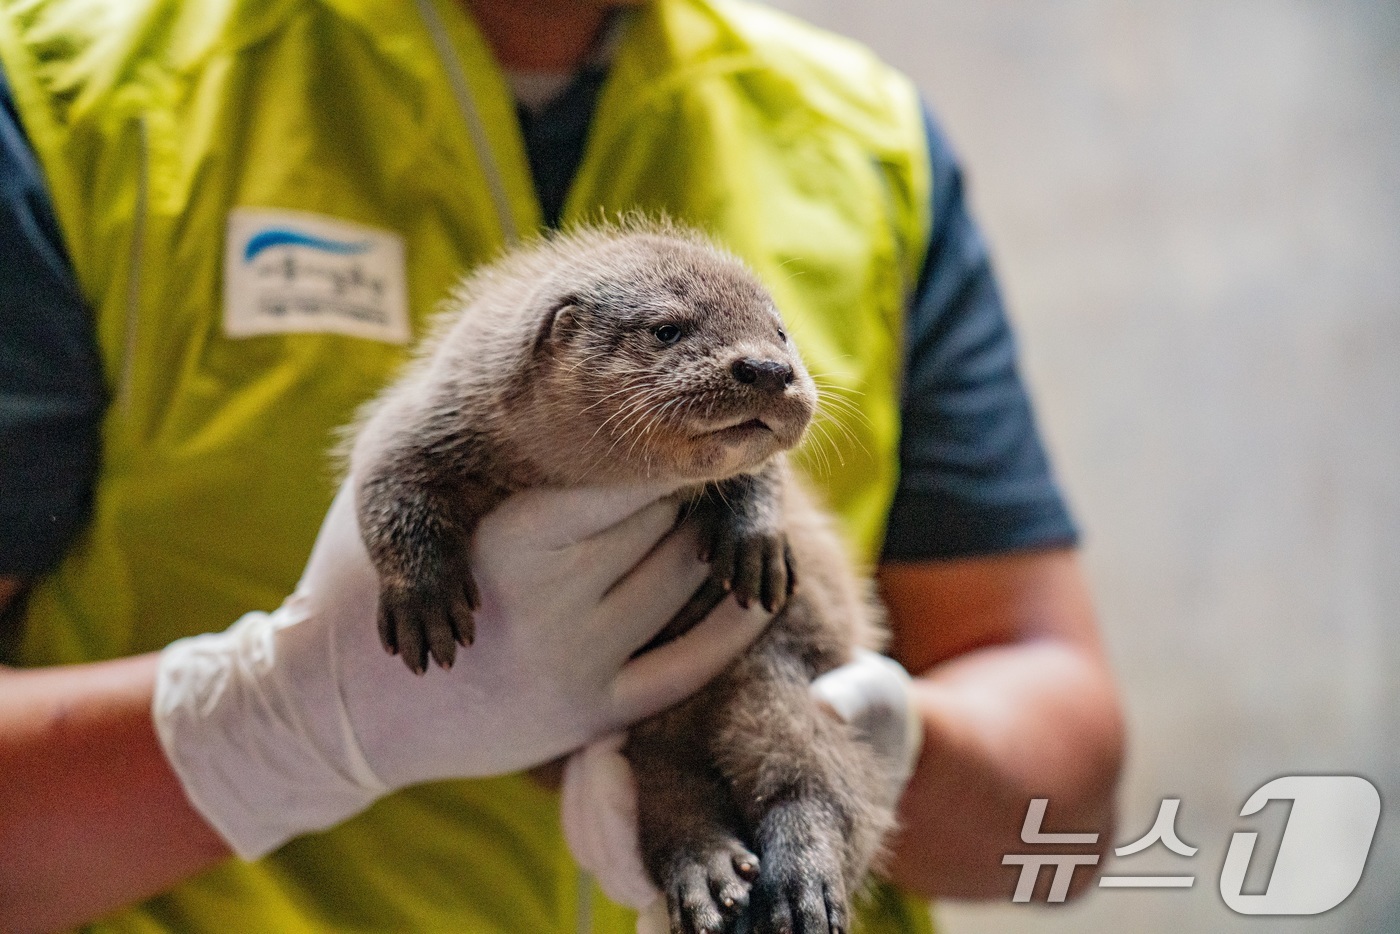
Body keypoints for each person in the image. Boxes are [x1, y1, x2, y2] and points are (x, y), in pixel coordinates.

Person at [0, 0, 1125, 932]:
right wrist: (274, 723)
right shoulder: (73, 98)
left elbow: (1067, 821)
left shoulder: (864, 142)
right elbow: (407, 475)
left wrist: (879, 749)